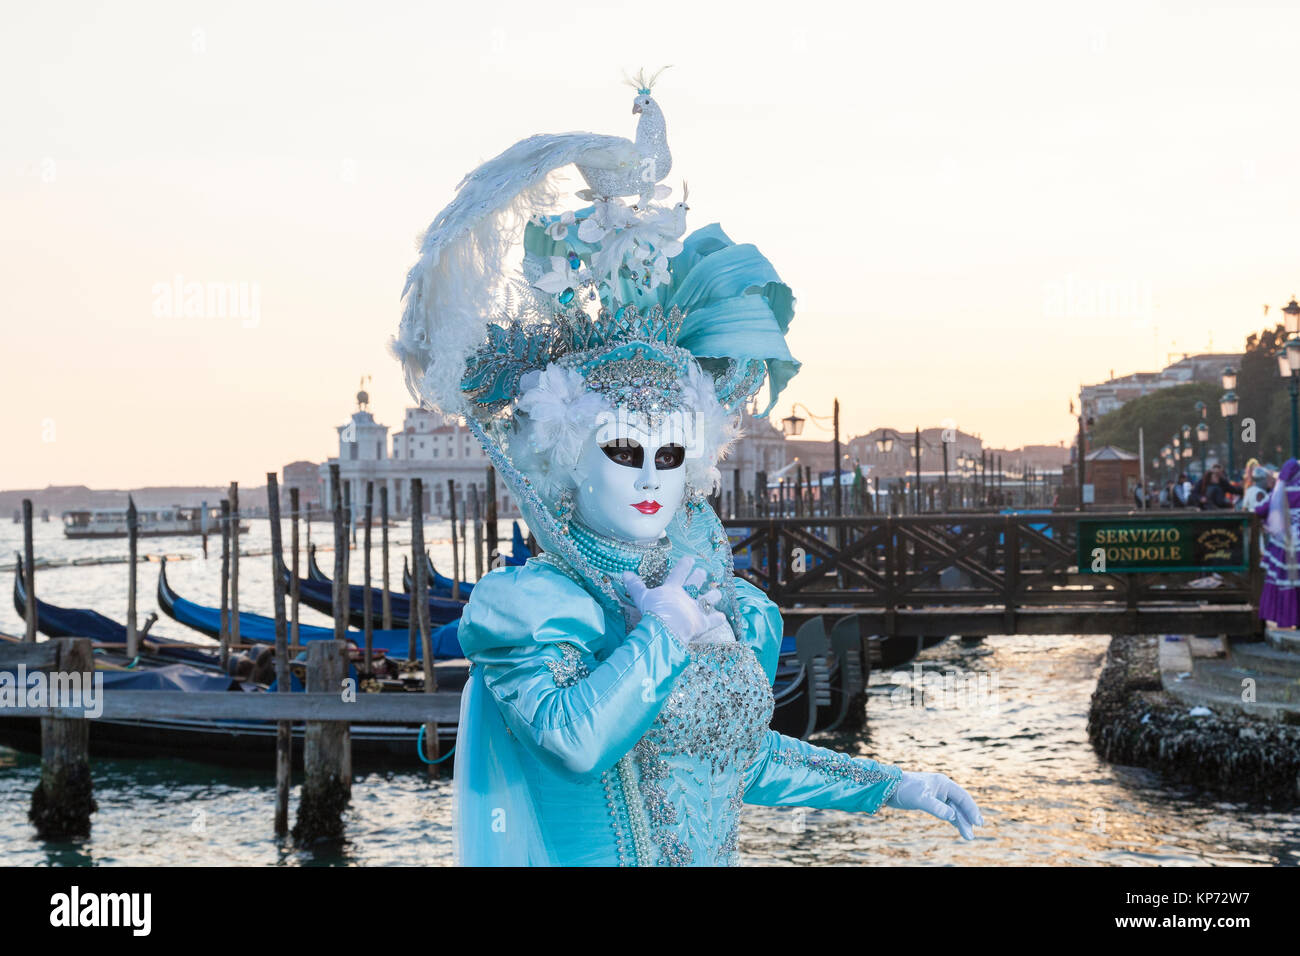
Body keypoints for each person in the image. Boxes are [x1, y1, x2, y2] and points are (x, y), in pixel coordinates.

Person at [390, 82, 982, 866]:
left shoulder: (718, 599)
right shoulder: (533, 607)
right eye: (624, 451)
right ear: (567, 456)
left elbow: (740, 758)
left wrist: (893, 784)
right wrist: (661, 630)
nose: (651, 479)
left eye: (670, 457)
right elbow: (577, 740)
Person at [1255, 459, 1300, 629]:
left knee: (1287, 583)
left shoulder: (1281, 490)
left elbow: (1260, 509)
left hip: (1286, 544)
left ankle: (1290, 618)